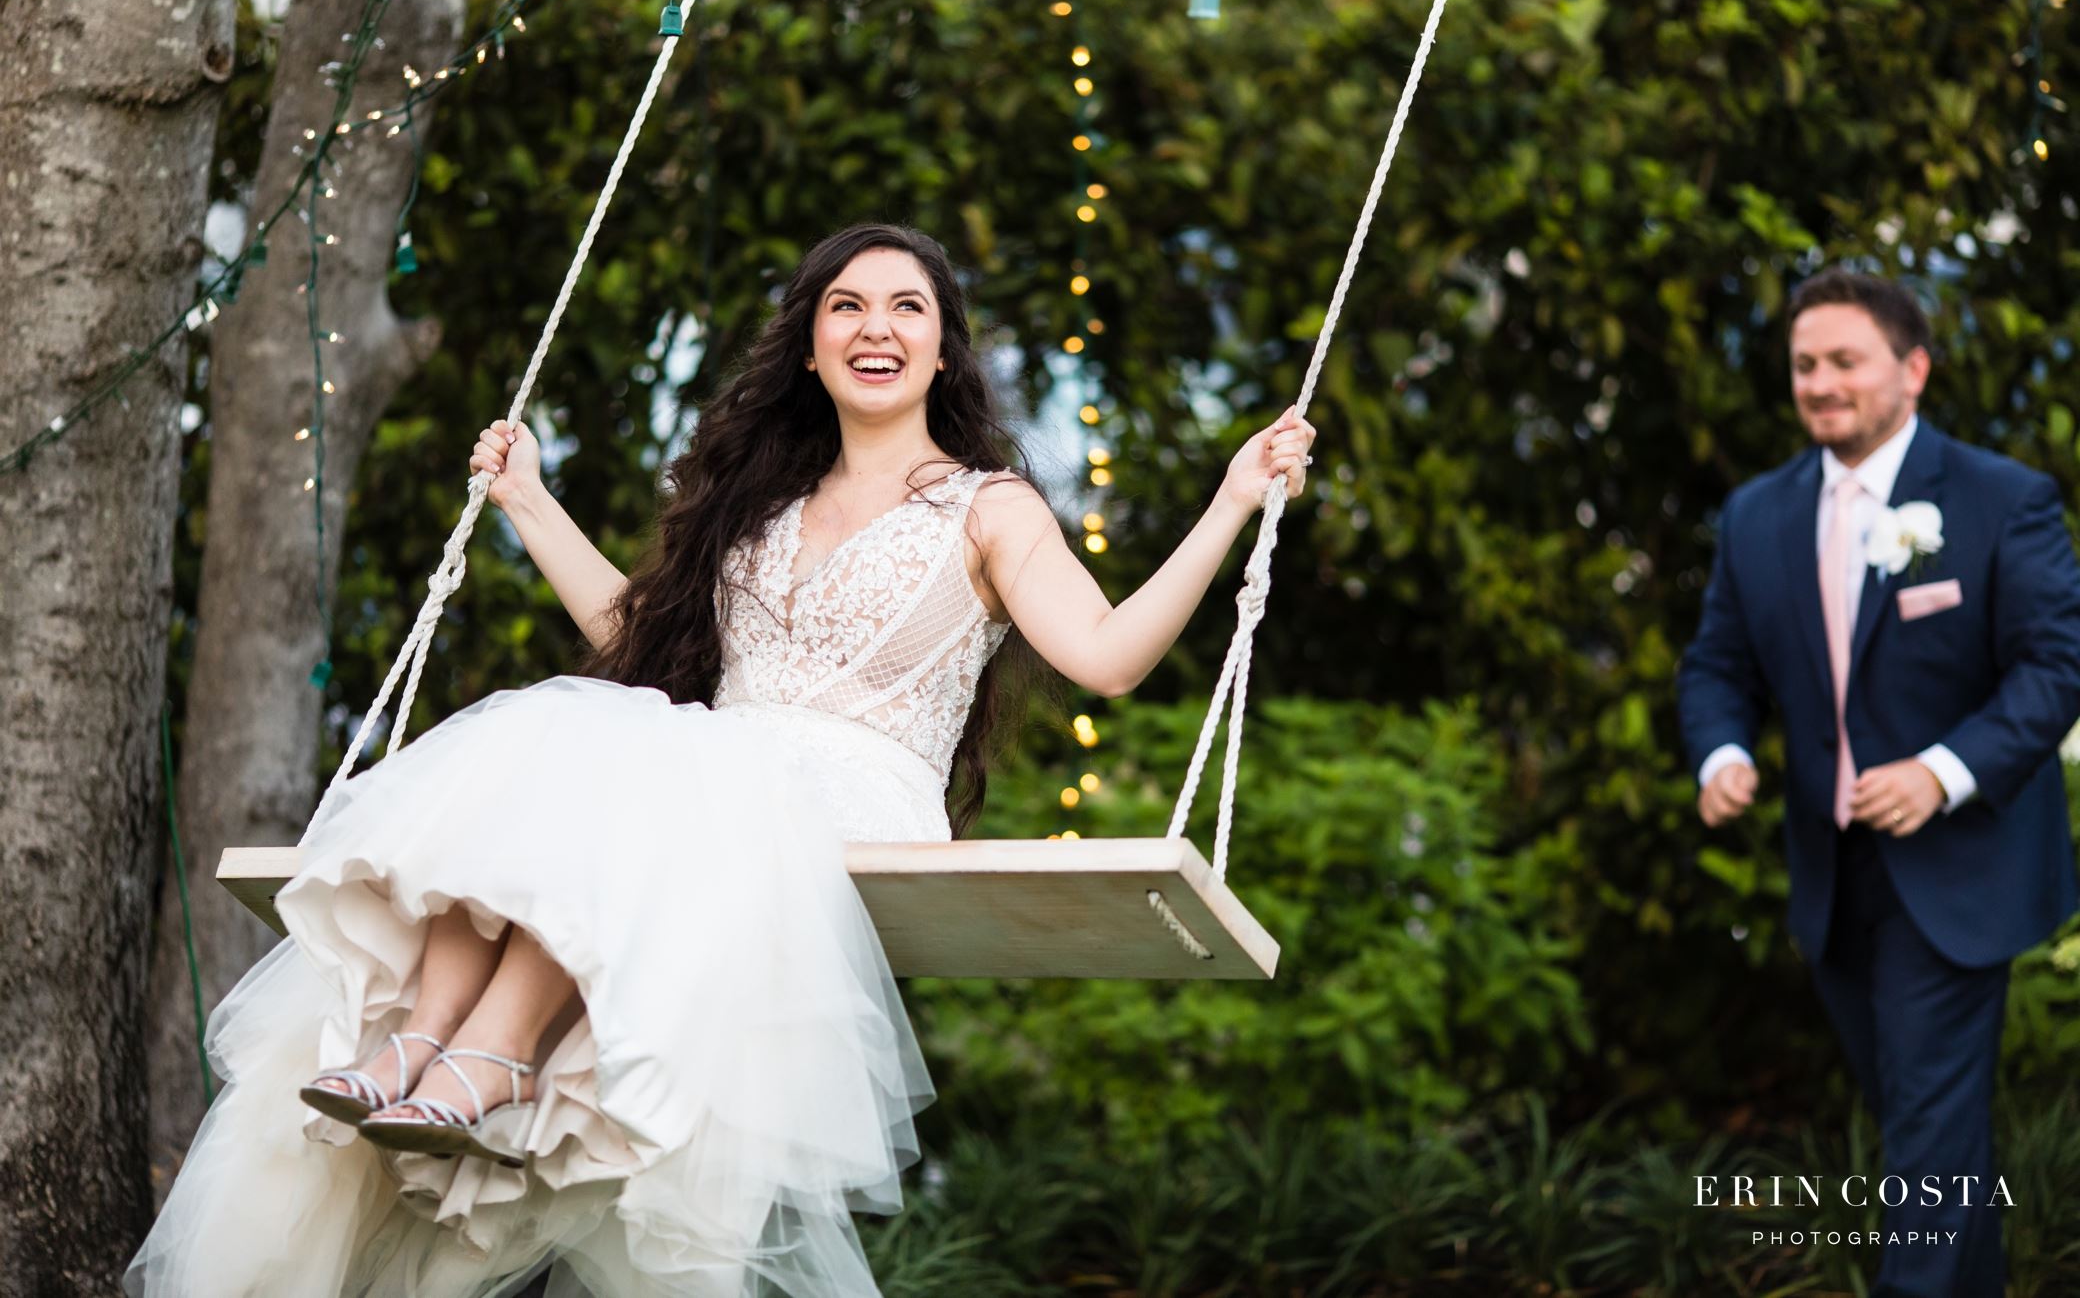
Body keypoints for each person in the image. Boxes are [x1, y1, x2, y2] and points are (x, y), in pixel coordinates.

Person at [126, 221, 1317, 1297]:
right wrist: (531, 504)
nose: (875, 328)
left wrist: (1229, 501)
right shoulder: (758, 504)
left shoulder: (988, 509)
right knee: (556, 734)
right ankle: (417, 1050)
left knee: (631, 757)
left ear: (946, 349)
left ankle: (484, 1059)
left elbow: (1106, 655)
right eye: (845, 306)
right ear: (808, 346)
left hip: (851, 791)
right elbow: (641, 642)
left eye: (907, 308)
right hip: (710, 768)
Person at [1676, 268, 2080, 1297]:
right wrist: (1722, 754)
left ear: (1912, 369)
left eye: (1843, 360)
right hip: (1829, 870)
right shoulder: (1755, 516)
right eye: (1804, 363)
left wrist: (1944, 773)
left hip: (1956, 869)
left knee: (1926, 1149)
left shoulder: (2000, 499)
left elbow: (2057, 666)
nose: (1819, 382)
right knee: (1924, 1134)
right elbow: (1717, 665)